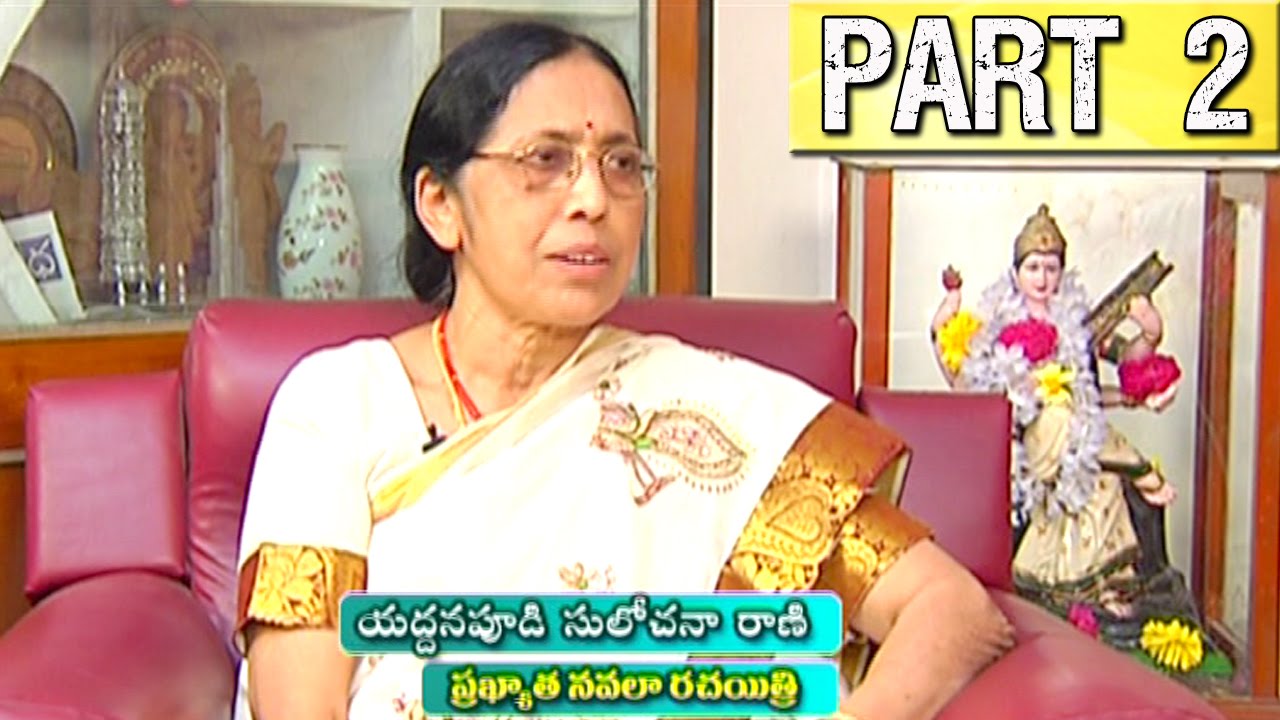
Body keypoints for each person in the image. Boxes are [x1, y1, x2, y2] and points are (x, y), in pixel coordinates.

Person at [233, 21, 1014, 720]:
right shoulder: (339, 405)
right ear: (440, 204)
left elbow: (950, 610)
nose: (593, 199)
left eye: (621, 164)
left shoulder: (705, 409)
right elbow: (297, 707)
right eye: (546, 160)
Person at [929, 205, 1228, 686]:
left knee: (1099, 479)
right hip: (1033, 436)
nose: (1042, 279)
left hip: (1079, 434)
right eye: (1033, 268)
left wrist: (1150, 331)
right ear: (1016, 272)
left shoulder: (1078, 322)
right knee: (1061, 421)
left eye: (1051, 268)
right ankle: (1138, 469)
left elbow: (1121, 359)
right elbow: (966, 370)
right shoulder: (1000, 322)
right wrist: (946, 316)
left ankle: (1098, 595)